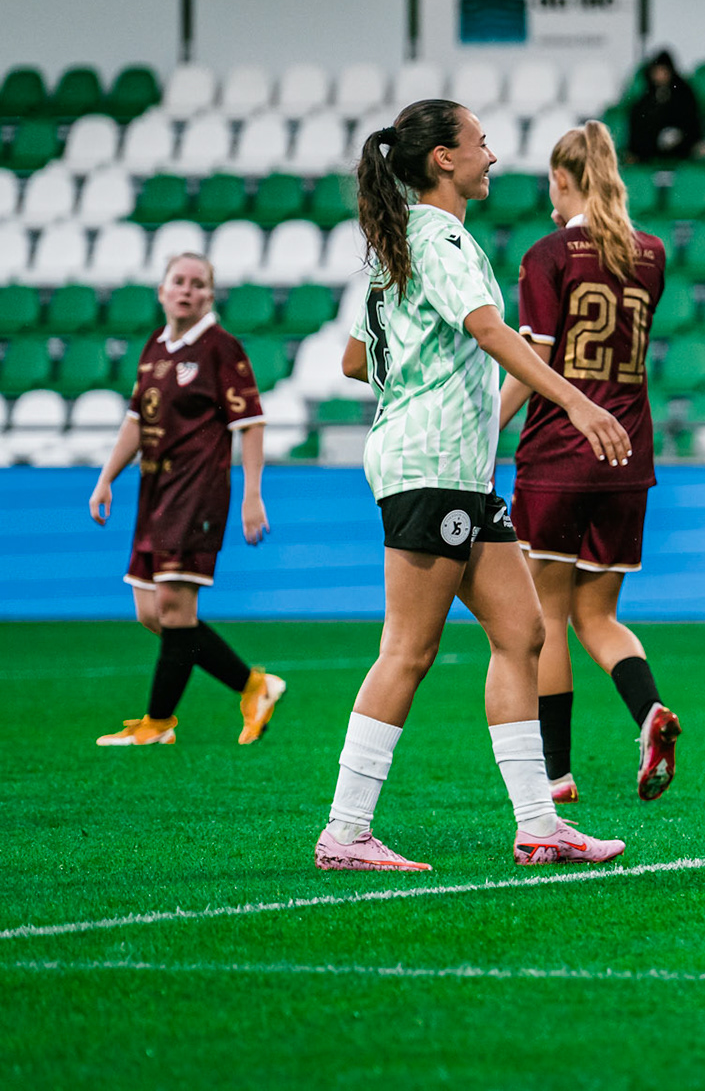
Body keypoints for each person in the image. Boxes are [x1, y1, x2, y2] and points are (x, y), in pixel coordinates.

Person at [315, 99, 633, 872]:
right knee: (410, 650)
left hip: (448, 467)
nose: (492, 156)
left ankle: (539, 825)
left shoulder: (395, 246)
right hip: (433, 466)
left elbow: (356, 363)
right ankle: (346, 832)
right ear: (443, 161)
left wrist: (416, 373)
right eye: (481, 143)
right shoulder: (444, 237)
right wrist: (576, 400)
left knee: (522, 632)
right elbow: (489, 330)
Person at [499, 120, 680, 806]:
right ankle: (648, 714)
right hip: (628, 452)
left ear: (563, 179)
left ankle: (556, 774)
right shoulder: (651, 253)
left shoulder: (548, 254)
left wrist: (487, 423)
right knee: (598, 615)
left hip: (557, 453)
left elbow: (537, 356)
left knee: (545, 616)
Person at [88, 252, 283, 746]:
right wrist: (107, 476)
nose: (187, 290)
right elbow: (137, 418)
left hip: (196, 494)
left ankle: (157, 723)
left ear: (210, 296)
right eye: (179, 281)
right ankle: (253, 685)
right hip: (154, 494)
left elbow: (251, 423)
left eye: (199, 284)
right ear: (161, 290)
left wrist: (252, 495)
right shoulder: (155, 345)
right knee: (153, 615)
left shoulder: (221, 348)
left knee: (175, 610)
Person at [624, 51, 705, 163]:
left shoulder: (683, 93)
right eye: (657, 71)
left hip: (681, 148)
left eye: (663, 71)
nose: (660, 75)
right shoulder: (646, 97)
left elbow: (691, 122)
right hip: (651, 151)